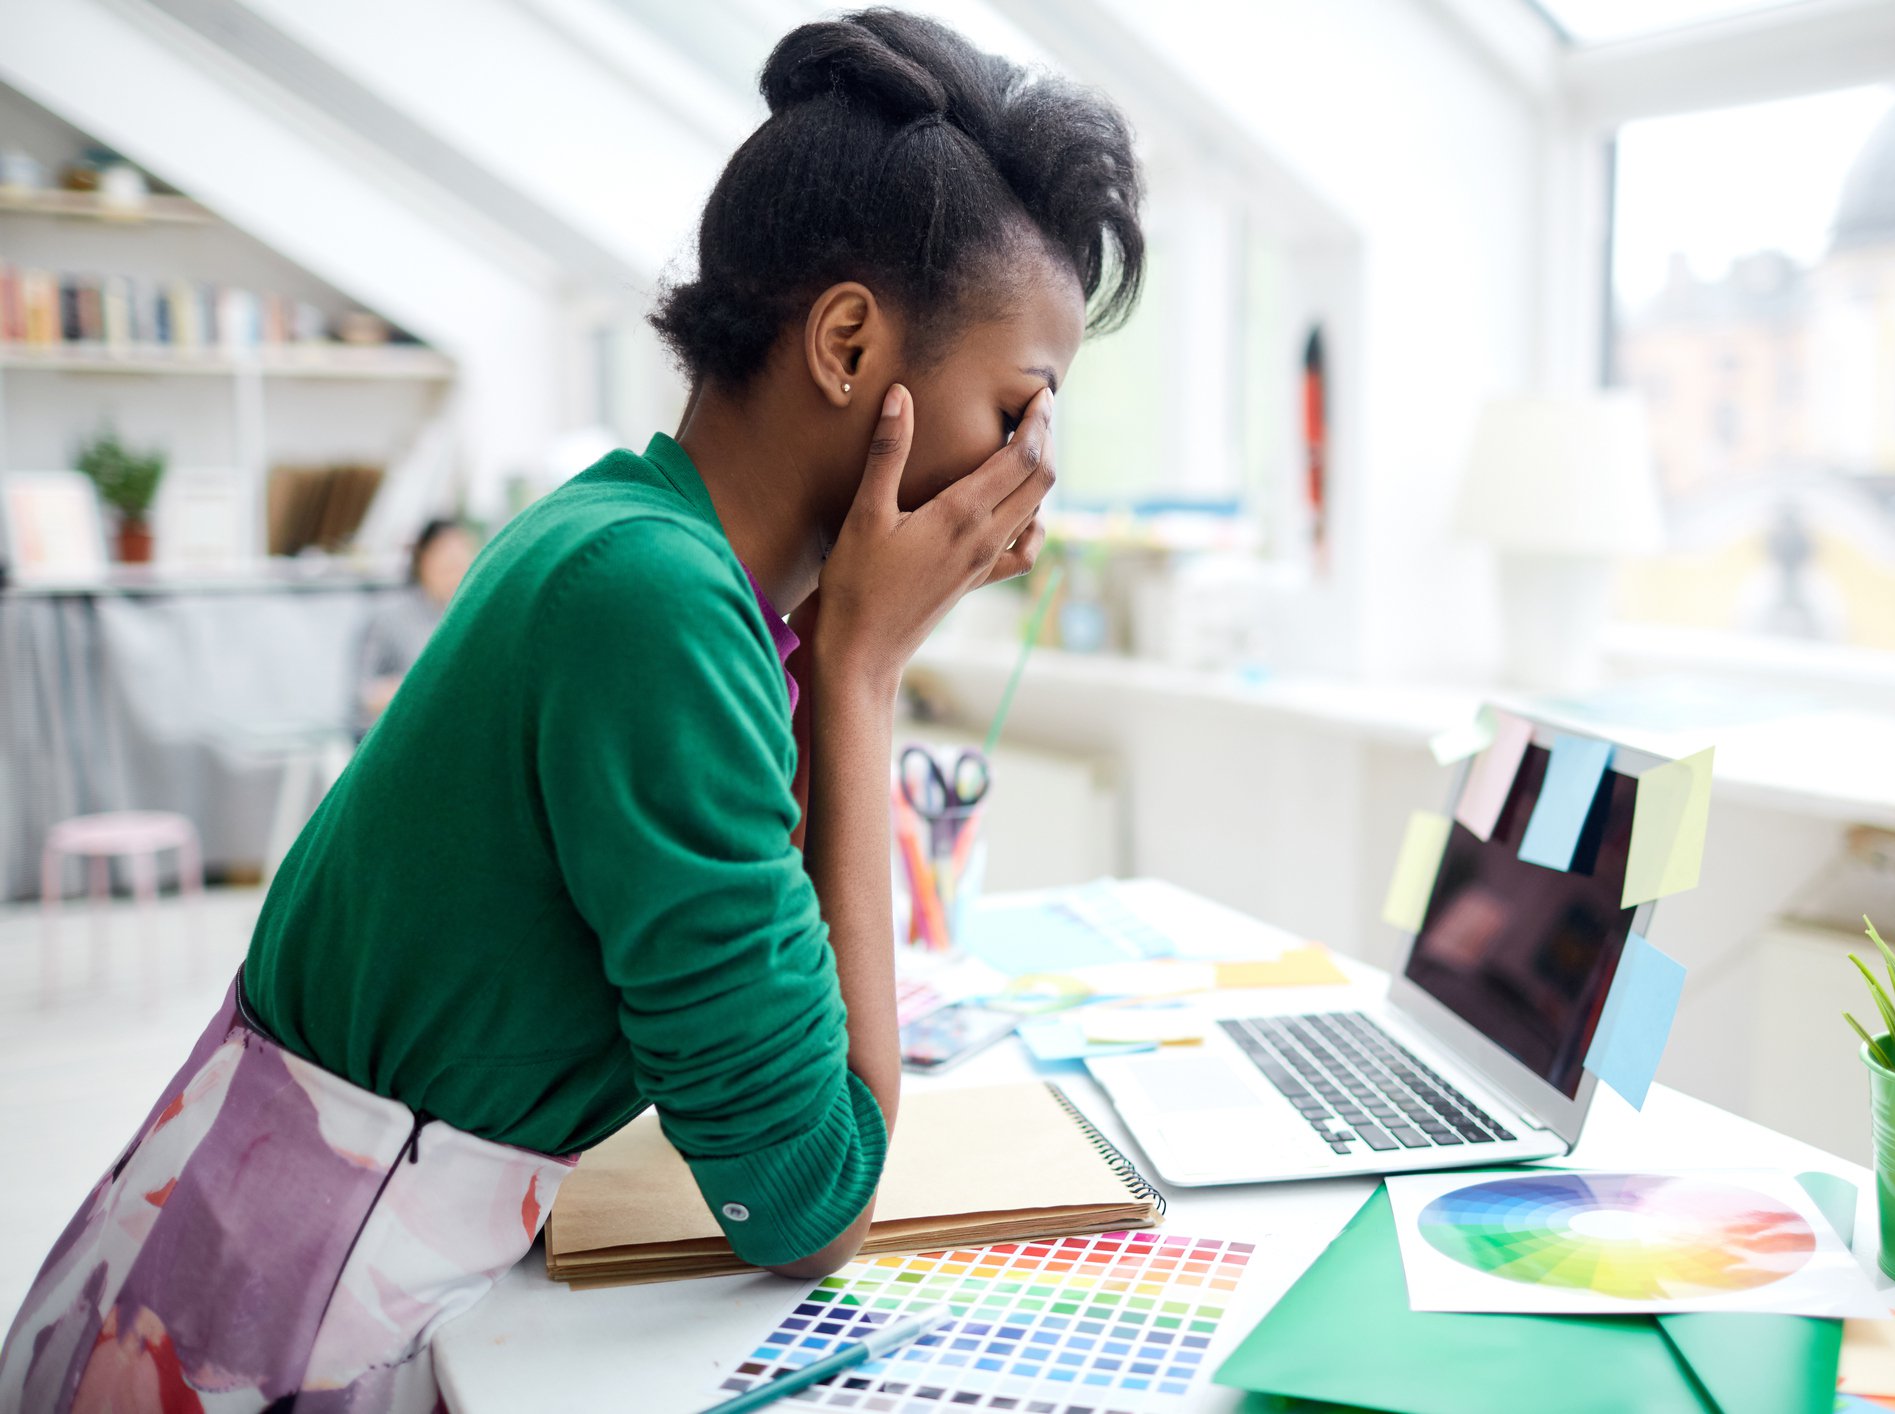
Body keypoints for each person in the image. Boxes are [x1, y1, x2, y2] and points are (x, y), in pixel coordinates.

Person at [0, 11, 1143, 1411]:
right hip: (268, 1338)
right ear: (847, 342)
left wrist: (837, 642)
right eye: (1021, 408)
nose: (1032, 468)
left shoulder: (626, 531)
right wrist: (861, 669)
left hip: (241, 1263)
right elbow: (811, 1198)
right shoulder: (651, 605)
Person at [353, 517, 474, 729]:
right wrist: (415, 689)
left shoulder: (469, 617)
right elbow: (363, 694)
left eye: (460, 561)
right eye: (447, 560)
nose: (455, 570)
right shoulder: (389, 617)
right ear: (423, 559)